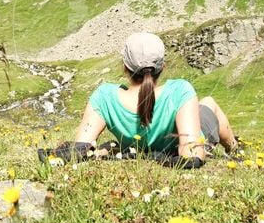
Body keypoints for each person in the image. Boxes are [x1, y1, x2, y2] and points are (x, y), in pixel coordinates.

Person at [73, 32, 236, 162]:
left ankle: (235, 147)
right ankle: (234, 148)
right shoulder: (179, 90)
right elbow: (191, 154)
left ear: (125, 67)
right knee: (209, 102)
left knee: (113, 145)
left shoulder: (104, 96)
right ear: (162, 67)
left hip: (134, 148)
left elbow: (80, 148)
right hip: (185, 143)